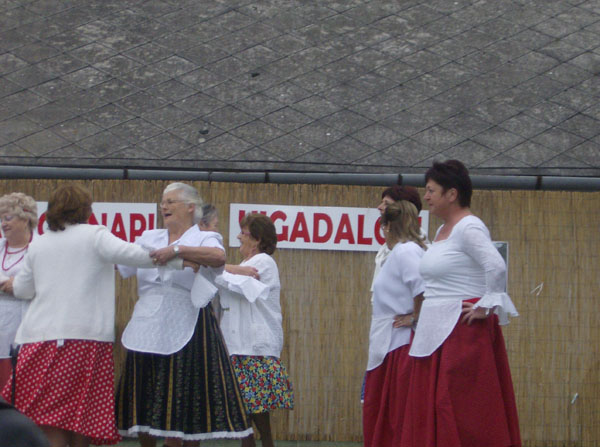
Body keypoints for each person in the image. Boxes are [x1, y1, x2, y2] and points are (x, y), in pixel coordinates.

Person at [0, 184, 182, 447]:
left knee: (48, 416)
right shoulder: (95, 236)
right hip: (84, 341)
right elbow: (136, 255)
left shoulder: (39, 244)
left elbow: (23, 289)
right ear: (85, 209)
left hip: (37, 341)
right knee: (82, 415)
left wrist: (8, 283)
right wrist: (180, 257)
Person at [115, 183, 252, 447]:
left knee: (187, 394)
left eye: (171, 201)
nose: (164, 206)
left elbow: (218, 257)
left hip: (188, 318)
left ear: (191, 207)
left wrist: (178, 251)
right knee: (145, 391)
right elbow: (122, 261)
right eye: (163, 202)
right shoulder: (149, 237)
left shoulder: (203, 237)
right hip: (147, 322)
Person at [401, 160, 521, 447]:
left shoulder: (468, 227)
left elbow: (496, 266)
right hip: (437, 330)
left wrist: (484, 306)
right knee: (436, 406)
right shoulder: (443, 231)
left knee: (459, 408)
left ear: (452, 194)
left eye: (431, 191)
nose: (426, 197)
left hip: (460, 333)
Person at [216, 213, 294, 447]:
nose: (239, 237)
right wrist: (227, 269)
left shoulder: (263, 262)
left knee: (253, 408)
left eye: (244, 233)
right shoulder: (242, 267)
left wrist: (214, 267)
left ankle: (267, 443)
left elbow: (239, 286)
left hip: (254, 347)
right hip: (238, 346)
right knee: (245, 410)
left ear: (257, 239)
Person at [362, 201, 426, 447]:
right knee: (384, 410)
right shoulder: (402, 252)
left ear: (388, 227)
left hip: (398, 344)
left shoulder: (405, 251)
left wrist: (415, 317)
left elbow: (421, 288)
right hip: (387, 342)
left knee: (394, 413)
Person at [0, 193, 37, 388]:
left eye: (8, 218)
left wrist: (19, 286)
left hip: (25, 326)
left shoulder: (39, 249)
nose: (3, 224)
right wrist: (9, 283)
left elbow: (43, 283)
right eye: (1, 219)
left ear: (25, 219)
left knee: (18, 388)